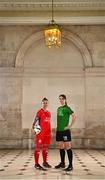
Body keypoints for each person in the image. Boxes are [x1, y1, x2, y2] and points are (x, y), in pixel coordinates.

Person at [55, 94, 76, 171]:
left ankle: (70, 165)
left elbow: (74, 116)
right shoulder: (58, 108)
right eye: (59, 99)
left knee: (68, 147)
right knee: (61, 147)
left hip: (65, 131)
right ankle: (62, 163)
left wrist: (69, 126)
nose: (60, 100)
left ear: (65, 99)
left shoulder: (67, 108)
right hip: (59, 131)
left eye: (62, 99)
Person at [32, 98, 52, 170]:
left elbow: (48, 123)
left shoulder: (49, 113)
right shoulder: (39, 112)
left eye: (46, 103)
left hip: (47, 133)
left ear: (48, 103)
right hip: (40, 133)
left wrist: (50, 132)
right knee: (38, 147)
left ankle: (44, 162)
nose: (45, 104)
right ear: (42, 103)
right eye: (44, 103)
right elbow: (35, 121)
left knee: (45, 148)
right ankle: (36, 164)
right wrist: (34, 129)